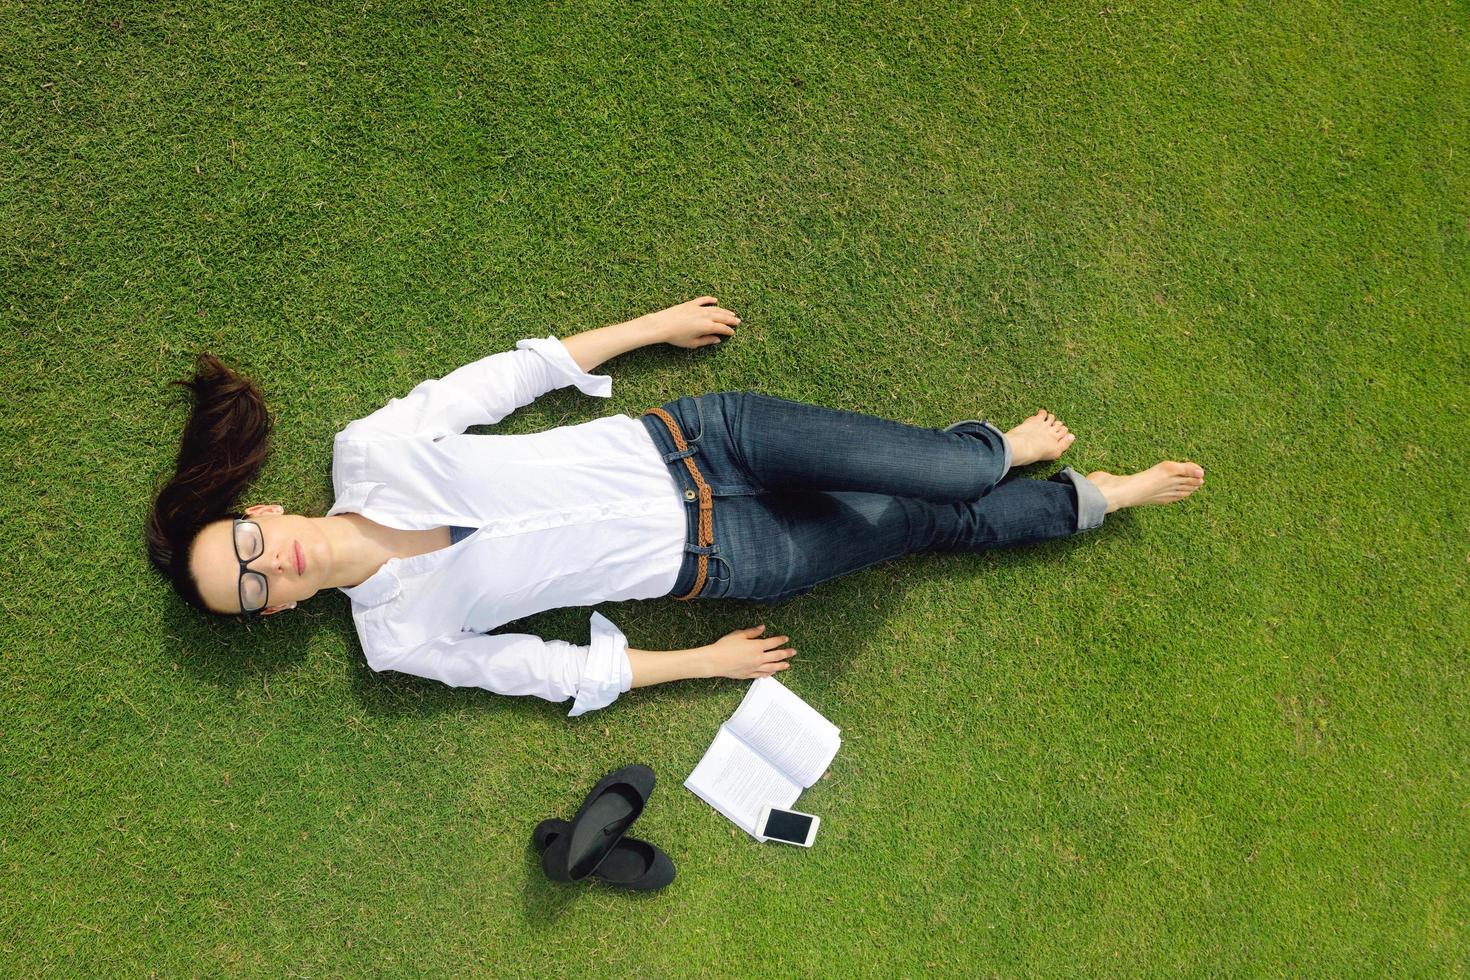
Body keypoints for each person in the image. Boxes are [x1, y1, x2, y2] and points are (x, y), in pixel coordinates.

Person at [146, 296, 1204, 715]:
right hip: (733, 553)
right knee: (932, 526)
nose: (263, 564)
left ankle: (985, 448)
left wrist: (650, 327)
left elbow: (505, 379)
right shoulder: (396, 637)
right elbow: (548, 669)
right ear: (272, 614)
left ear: (267, 508)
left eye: (245, 542)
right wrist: (704, 662)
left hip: (703, 438)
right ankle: (1091, 500)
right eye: (246, 590)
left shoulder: (370, 450)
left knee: (956, 475)